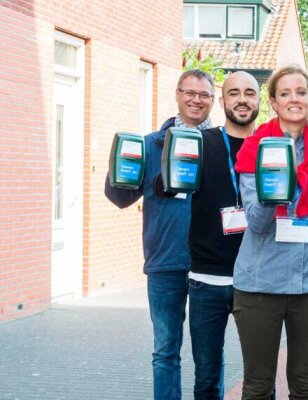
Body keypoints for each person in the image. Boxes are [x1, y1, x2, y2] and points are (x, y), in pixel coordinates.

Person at [231, 65, 308, 400]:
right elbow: (257, 223)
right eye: (285, 93)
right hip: (259, 282)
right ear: (274, 102)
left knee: (305, 383)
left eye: (301, 92)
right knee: (258, 385)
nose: (294, 98)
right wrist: (274, 190)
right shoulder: (254, 150)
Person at [104, 69, 214, 400]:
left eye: (204, 94)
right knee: (165, 351)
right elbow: (120, 198)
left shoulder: (221, 146)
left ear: (213, 100)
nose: (196, 99)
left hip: (210, 267)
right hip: (165, 263)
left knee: (209, 355)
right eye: (189, 92)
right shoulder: (150, 145)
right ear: (177, 94)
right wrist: (117, 168)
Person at [173, 71, 261, 399]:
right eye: (234, 93)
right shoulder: (200, 144)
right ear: (222, 101)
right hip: (206, 281)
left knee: (260, 379)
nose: (242, 99)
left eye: (249, 93)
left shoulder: (272, 148)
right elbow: (170, 183)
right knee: (206, 379)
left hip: (256, 281)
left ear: (258, 101)